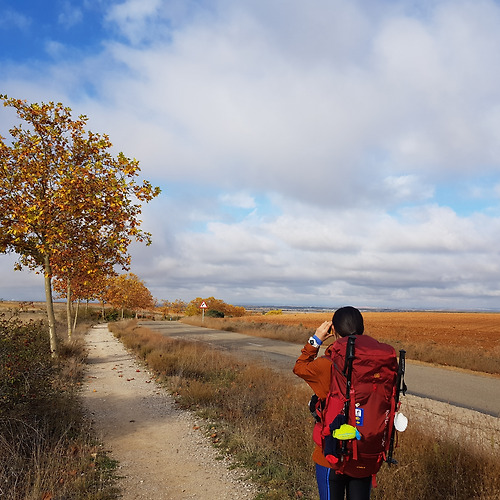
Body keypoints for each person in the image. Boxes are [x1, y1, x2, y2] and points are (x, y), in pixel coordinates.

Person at [293, 306, 372, 500]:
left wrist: (316, 339)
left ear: (334, 331)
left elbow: (299, 367)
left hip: (331, 454)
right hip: (364, 451)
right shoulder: (376, 366)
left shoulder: (326, 365)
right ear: (362, 329)